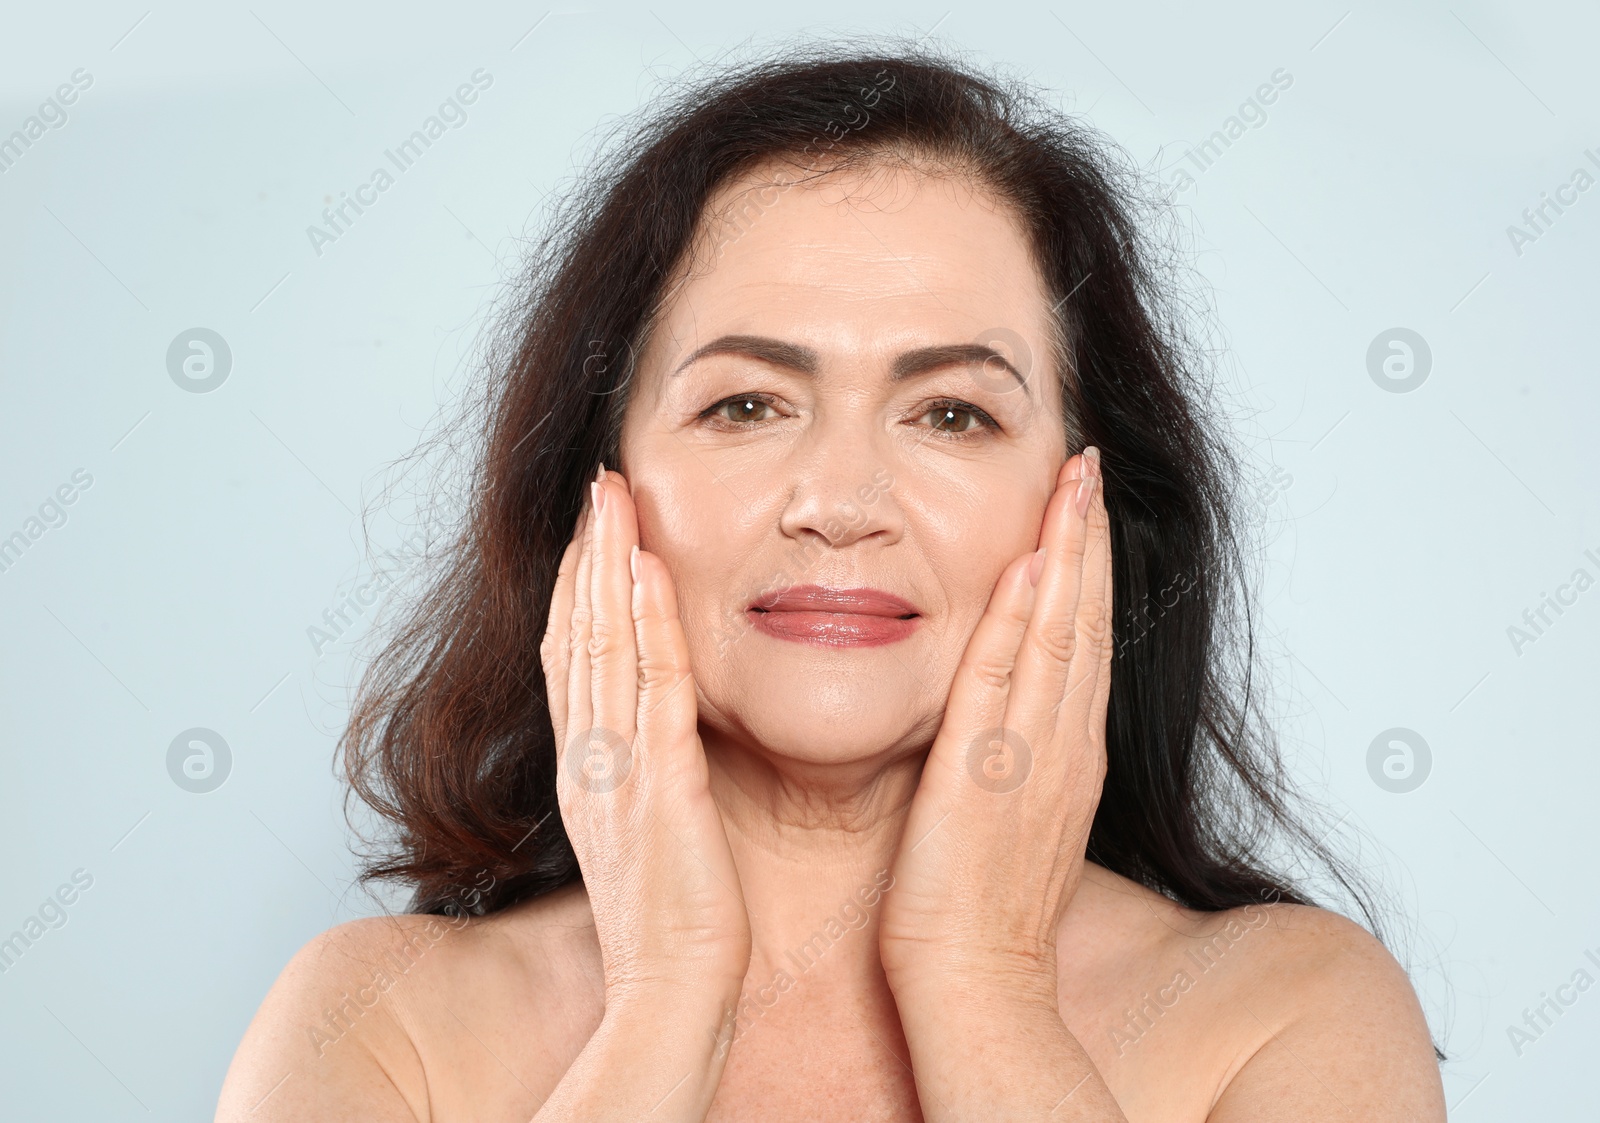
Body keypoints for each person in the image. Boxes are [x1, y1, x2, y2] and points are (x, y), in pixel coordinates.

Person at [216, 44, 1447, 1121]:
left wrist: (980, 978)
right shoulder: (372, 1026)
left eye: (953, 413)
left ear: (1082, 502)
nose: (839, 503)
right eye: (744, 404)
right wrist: (664, 996)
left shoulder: (1290, 1014)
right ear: (601, 485)